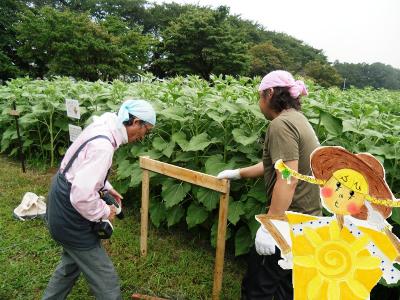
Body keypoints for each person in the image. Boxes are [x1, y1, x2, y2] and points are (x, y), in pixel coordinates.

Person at [217, 70, 322, 300]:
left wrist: (270, 226)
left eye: (259, 96)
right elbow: (279, 165)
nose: (259, 103)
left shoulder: (281, 125)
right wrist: (237, 173)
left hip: (287, 225)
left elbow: (288, 177)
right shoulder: (298, 119)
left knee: (258, 289)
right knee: (286, 289)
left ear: (270, 93)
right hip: (307, 223)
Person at [43, 99, 156, 300]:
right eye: (146, 130)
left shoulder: (103, 126)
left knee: (70, 265)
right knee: (106, 282)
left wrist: (105, 188)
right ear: (136, 122)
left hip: (59, 197)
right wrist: (105, 212)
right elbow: (81, 197)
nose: (143, 136)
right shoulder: (103, 146)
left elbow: (78, 165)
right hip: (70, 212)